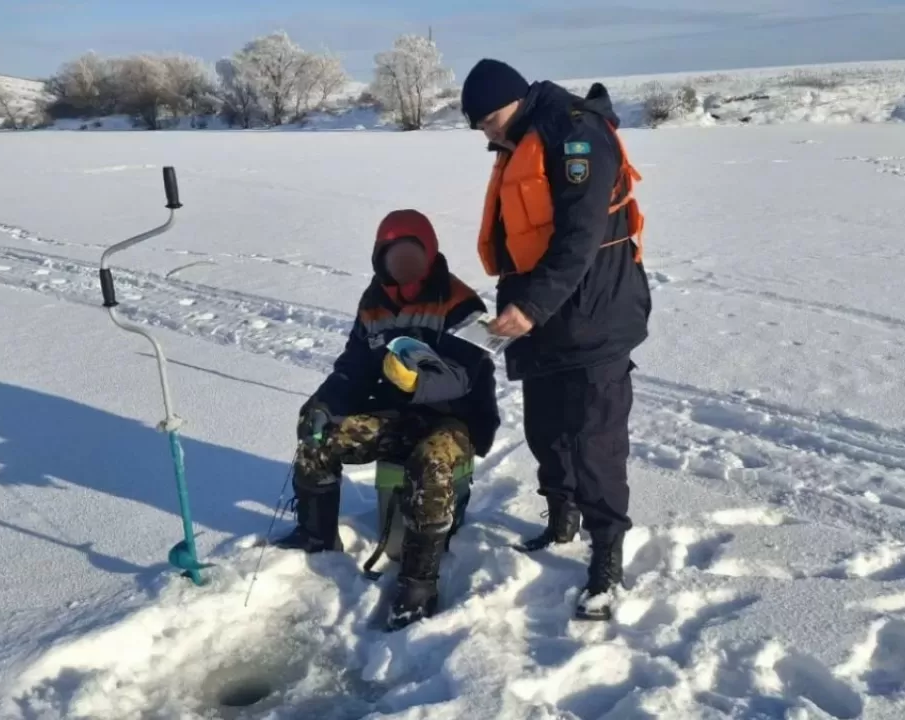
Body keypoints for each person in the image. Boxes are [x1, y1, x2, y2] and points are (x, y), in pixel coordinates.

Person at [459, 59, 652, 621]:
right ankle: (561, 515)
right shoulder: (522, 135)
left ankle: (607, 555)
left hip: (593, 312)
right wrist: (522, 307)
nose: (487, 132)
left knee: (595, 439)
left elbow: (580, 237)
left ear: (516, 99)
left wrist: (531, 306)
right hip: (541, 315)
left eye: (491, 119)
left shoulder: (576, 135)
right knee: (547, 429)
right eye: (479, 126)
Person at [275, 209, 501, 631]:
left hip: (455, 421)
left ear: (429, 253)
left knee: (430, 461)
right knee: (318, 434)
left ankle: (418, 584)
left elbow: (469, 375)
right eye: (394, 255)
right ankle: (316, 535)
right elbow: (354, 367)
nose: (403, 264)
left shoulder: (463, 302)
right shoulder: (374, 302)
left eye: (412, 254)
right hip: (396, 416)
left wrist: (418, 384)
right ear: (381, 257)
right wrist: (325, 402)